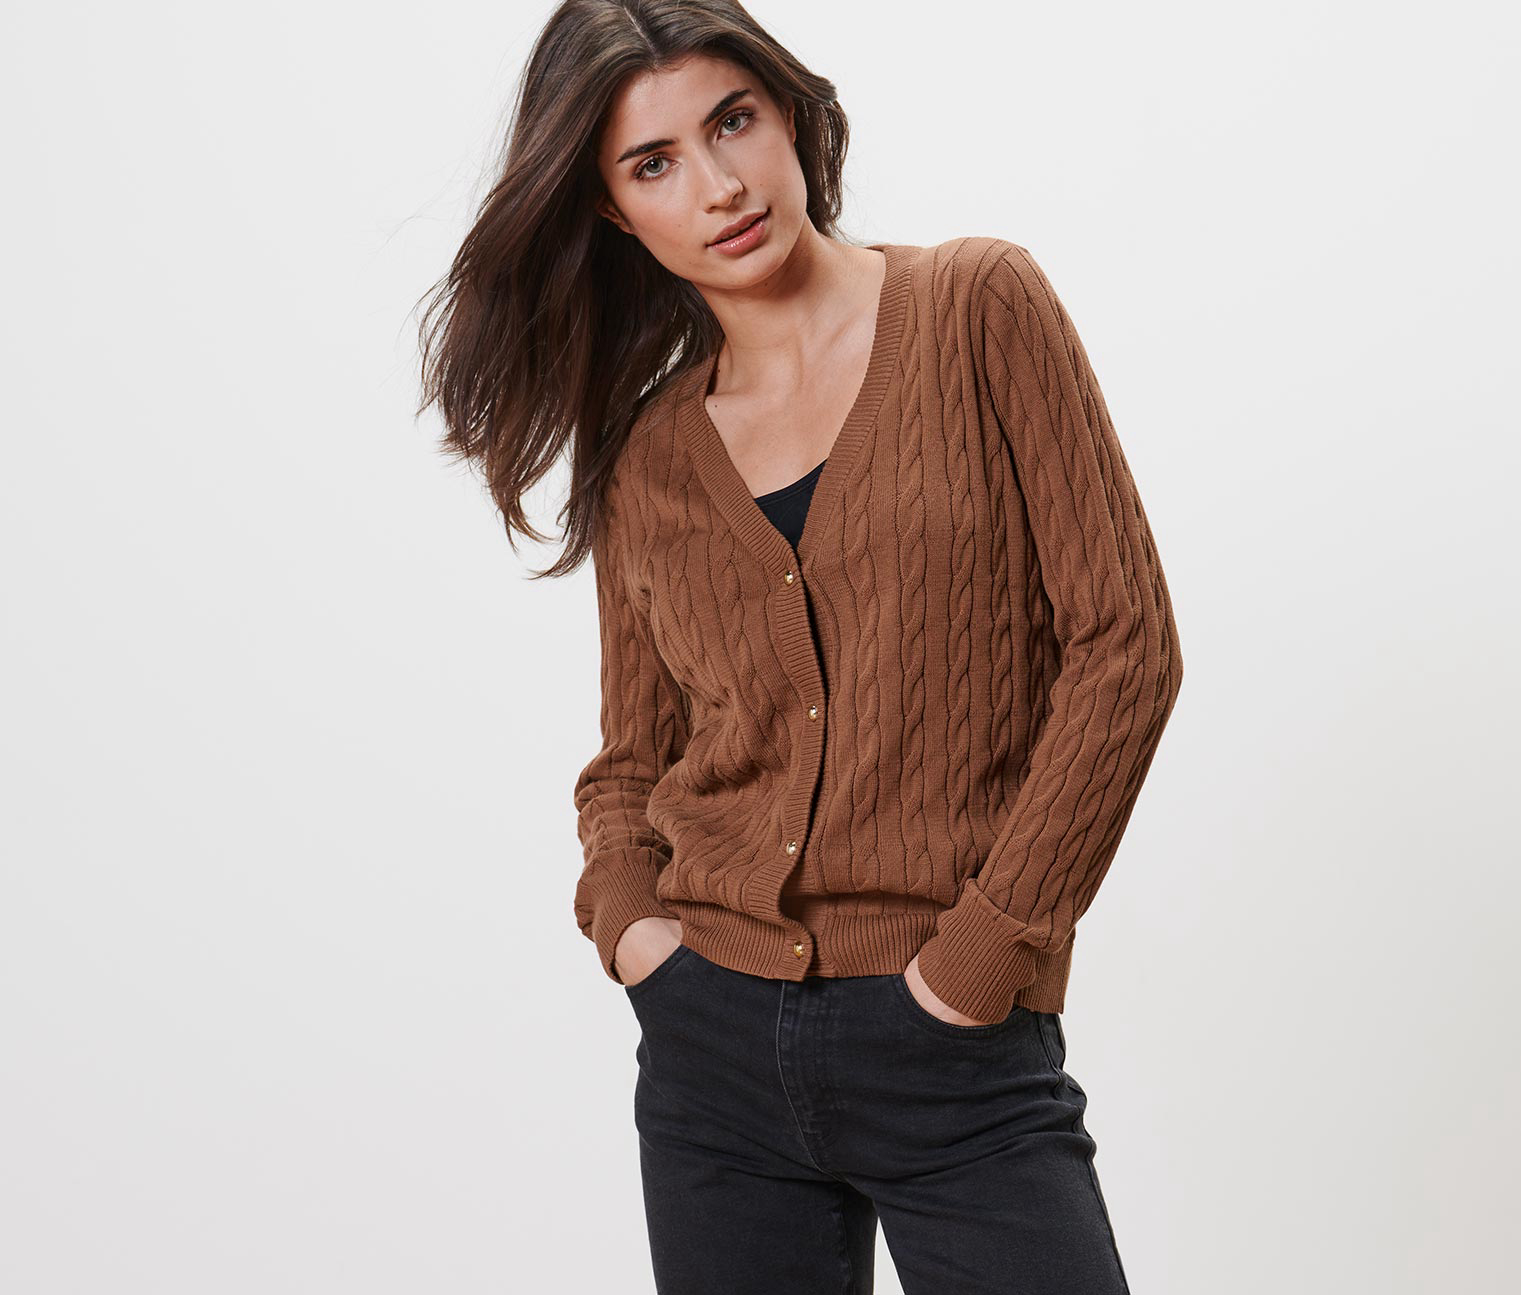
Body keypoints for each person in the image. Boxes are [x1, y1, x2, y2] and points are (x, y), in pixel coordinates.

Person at [416, 3, 1184, 1291]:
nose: (719, 186)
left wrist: (984, 954)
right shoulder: (649, 455)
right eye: (654, 163)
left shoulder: (978, 307)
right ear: (613, 210)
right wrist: (633, 927)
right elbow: (633, 759)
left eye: (733, 122)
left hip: (955, 1046)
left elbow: (1126, 649)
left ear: (788, 114)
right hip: (712, 1060)